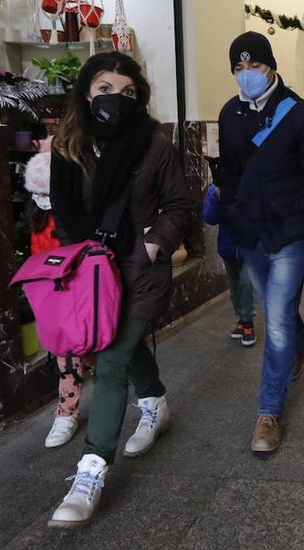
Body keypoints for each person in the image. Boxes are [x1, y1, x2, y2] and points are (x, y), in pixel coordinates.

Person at [46, 52, 192, 528]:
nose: (116, 99)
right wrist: (77, 264)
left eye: (127, 92)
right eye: (106, 89)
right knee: (124, 352)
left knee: (109, 362)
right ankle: (154, 403)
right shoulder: (68, 147)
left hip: (139, 271)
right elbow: (65, 214)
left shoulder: (154, 145)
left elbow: (177, 204)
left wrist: (154, 244)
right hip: (91, 274)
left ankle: (90, 471)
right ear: (87, 92)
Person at [217, 31, 304, 455]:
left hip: (290, 236)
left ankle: (268, 412)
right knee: (277, 310)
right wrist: (229, 227)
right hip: (250, 235)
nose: (246, 74)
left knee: (277, 323)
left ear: (271, 67)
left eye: (255, 66)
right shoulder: (229, 114)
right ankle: (302, 345)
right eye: (239, 68)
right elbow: (228, 177)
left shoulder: (303, 116)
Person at [22, 146, 92, 449]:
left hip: (80, 293)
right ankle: (66, 412)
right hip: (53, 299)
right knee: (67, 358)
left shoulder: (75, 215)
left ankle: (133, 397)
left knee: (92, 351)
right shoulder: (34, 220)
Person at [202, 177, 257, 346]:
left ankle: (248, 322)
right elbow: (210, 218)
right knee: (235, 287)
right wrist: (217, 196)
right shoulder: (216, 188)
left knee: (247, 283)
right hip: (228, 246)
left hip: (251, 246)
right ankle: (241, 317)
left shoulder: (253, 180)